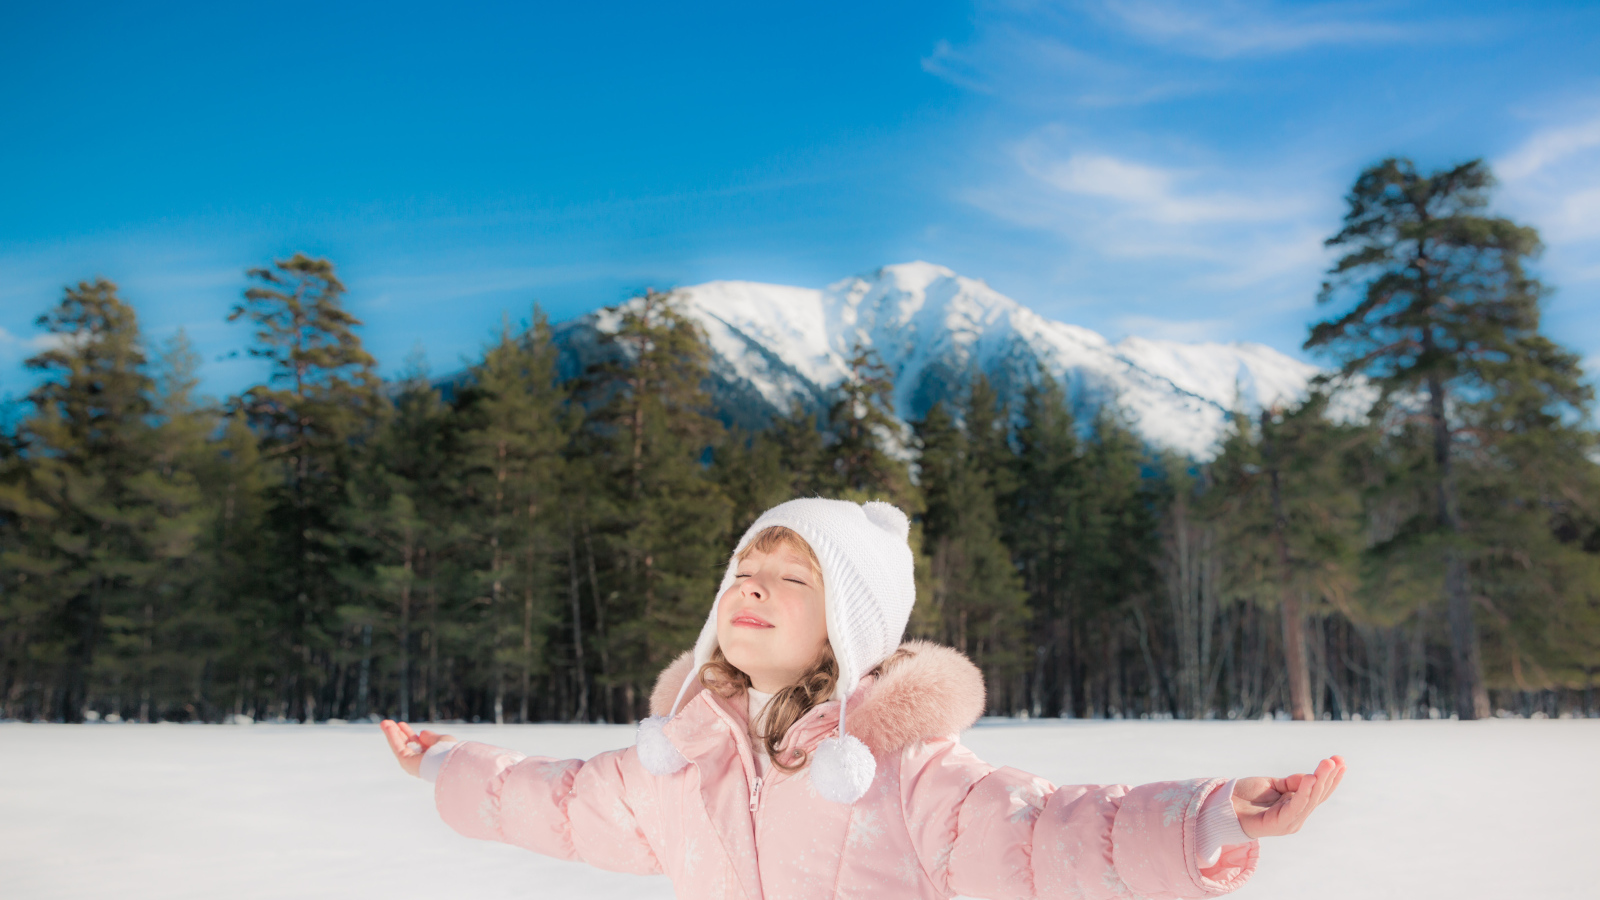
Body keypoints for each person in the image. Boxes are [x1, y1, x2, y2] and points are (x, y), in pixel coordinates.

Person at [382, 498, 1344, 899]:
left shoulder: (903, 767)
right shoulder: (679, 759)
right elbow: (556, 800)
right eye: (744, 573)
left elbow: (1051, 832)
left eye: (792, 580)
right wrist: (446, 761)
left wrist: (1213, 818)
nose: (752, 588)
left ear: (853, 628)